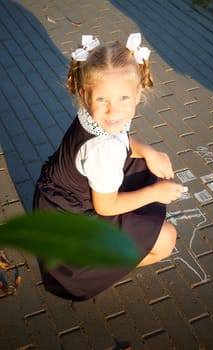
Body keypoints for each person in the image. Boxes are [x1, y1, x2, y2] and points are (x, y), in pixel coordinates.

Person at [33, 33, 184, 301]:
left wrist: (148, 151)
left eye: (123, 99)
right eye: (102, 100)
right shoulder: (103, 149)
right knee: (167, 240)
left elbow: (121, 139)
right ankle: (94, 273)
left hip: (56, 204)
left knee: (141, 165)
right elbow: (106, 207)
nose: (114, 112)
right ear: (84, 94)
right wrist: (156, 194)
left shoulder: (93, 116)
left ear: (137, 94)